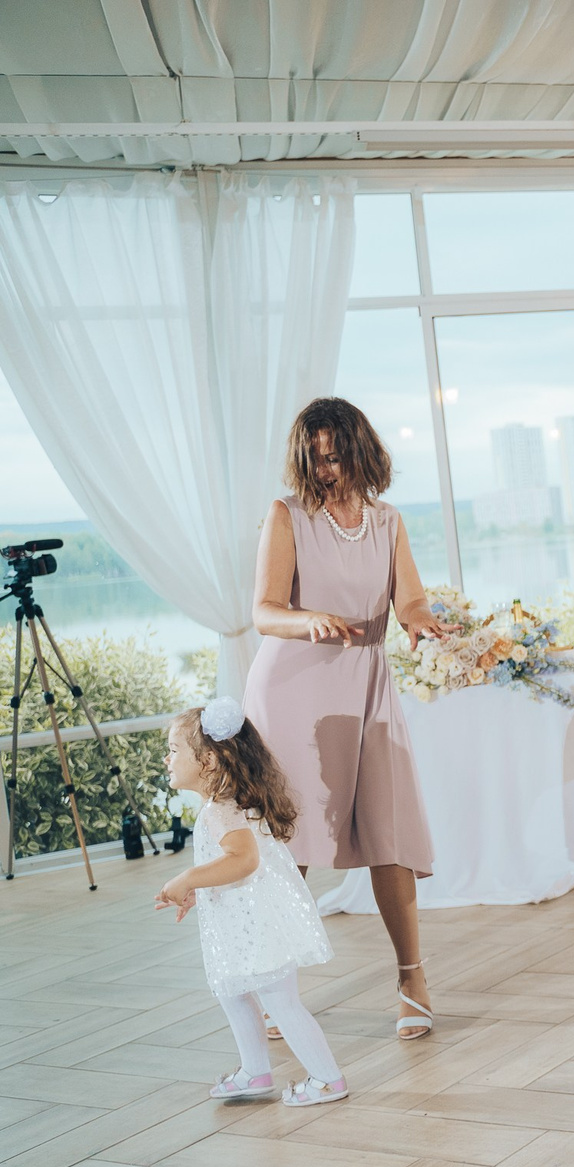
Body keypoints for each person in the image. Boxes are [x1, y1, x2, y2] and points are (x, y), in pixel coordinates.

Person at [244, 398, 449, 1041]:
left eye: (336, 456)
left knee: (390, 830)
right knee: (293, 845)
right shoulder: (288, 516)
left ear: (362, 452)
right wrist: (308, 620)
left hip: (367, 686)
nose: (326, 469)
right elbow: (264, 611)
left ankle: (412, 980)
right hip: (295, 692)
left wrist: (419, 622)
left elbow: (409, 597)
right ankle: (274, 984)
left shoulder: (387, 521)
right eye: (316, 458)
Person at [155, 698, 346, 1108]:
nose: (167, 759)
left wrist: (188, 877)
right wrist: (200, 889)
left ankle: (327, 1079)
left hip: (257, 925)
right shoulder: (224, 805)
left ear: (207, 761)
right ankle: (255, 1071)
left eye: (173, 750)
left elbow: (244, 860)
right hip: (240, 922)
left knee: (280, 1000)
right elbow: (231, 866)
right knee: (233, 992)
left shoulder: (220, 811)